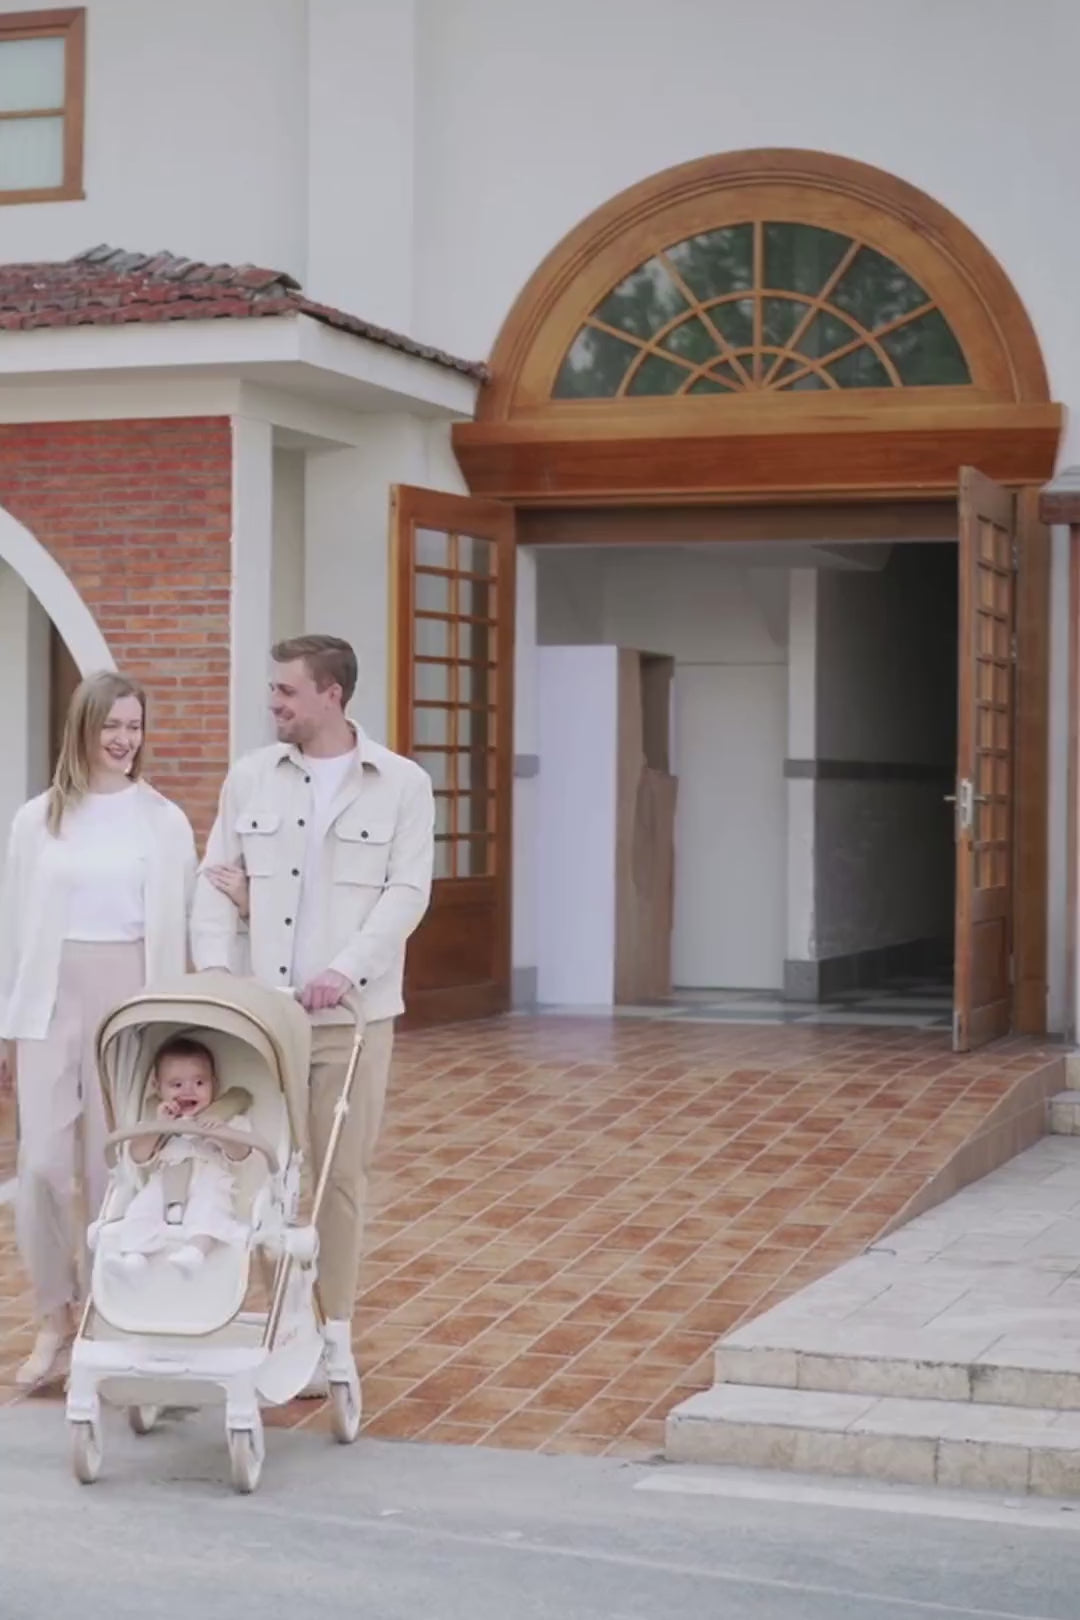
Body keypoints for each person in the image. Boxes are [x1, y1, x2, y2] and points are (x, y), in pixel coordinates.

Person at [191, 634, 434, 1407]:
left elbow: (406, 893)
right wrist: (218, 978)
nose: (274, 704)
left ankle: (333, 1337)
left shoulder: (401, 784)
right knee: (260, 1177)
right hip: (261, 1020)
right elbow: (212, 883)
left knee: (337, 1182)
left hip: (352, 1020)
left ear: (332, 694)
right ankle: (274, 1329)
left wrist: (343, 969)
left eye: (287, 692)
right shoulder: (250, 779)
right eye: (273, 691)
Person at [0, 671, 196, 1386]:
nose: (123, 740)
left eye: (134, 727)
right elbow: (13, 925)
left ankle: (107, 1319)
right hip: (48, 996)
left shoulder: (163, 820)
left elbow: (185, 918)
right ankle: (54, 1316)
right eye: (111, 725)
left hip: (130, 996)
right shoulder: (37, 820)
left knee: (110, 1167)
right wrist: (7, 1025)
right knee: (42, 1167)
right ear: (81, 729)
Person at [95, 1035, 253, 1279]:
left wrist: (221, 1132)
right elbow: (137, 1156)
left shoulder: (227, 1119)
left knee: (210, 1205)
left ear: (215, 1084)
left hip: (208, 1177)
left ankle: (196, 1251)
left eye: (199, 1082)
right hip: (163, 1181)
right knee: (141, 1208)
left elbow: (241, 1154)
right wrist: (159, 1127)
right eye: (176, 1085)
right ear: (158, 1088)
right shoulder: (156, 1120)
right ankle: (134, 1257)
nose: (188, 1091)